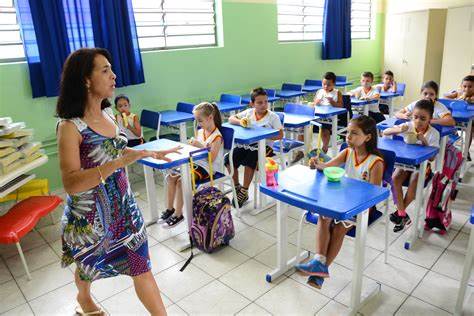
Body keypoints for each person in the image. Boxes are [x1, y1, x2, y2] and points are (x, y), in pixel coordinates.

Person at [56, 48, 181, 316]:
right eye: (105, 70)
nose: (114, 76)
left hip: (124, 209)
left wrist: (148, 152)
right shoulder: (70, 127)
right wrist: (116, 164)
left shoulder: (109, 114)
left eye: (111, 69)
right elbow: (71, 183)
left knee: (142, 267)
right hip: (90, 218)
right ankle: (84, 299)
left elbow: (116, 153)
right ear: (86, 79)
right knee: (88, 265)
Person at [296, 116, 384, 289]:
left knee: (338, 228)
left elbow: (373, 195)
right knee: (324, 217)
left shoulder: (376, 162)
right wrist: (316, 164)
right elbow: (328, 166)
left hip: (362, 207)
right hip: (342, 202)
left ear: (368, 137)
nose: (348, 137)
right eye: (348, 133)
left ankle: (320, 271)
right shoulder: (348, 152)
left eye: (354, 133)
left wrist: (352, 203)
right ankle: (319, 262)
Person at [159, 102, 224, 228]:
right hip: (196, 163)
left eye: (200, 121)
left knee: (182, 182)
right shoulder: (201, 131)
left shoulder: (217, 137)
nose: (198, 124)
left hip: (208, 168)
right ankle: (170, 209)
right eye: (197, 121)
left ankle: (179, 215)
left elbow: (212, 158)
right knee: (170, 177)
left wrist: (201, 146)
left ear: (210, 117)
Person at [384, 99, 440, 232]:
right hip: (405, 163)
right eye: (415, 117)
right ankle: (402, 214)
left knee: (415, 180)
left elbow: (432, 158)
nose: (418, 121)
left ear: (430, 119)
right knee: (395, 177)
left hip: (422, 165)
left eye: (423, 118)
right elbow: (385, 133)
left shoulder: (433, 133)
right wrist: (397, 129)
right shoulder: (408, 126)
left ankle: (400, 213)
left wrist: (424, 141)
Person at [225, 87, 283, 207]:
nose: (264, 105)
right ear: (252, 104)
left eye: (266, 101)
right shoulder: (248, 113)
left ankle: (245, 190)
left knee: (250, 160)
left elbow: (280, 135)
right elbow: (231, 118)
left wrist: (263, 135)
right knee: (228, 158)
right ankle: (237, 187)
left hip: (264, 147)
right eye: (259, 102)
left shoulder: (273, 117)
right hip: (248, 144)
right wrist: (240, 122)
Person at [292, 72, 343, 162]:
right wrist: (316, 103)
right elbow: (313, 104)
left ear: (334, 84)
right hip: (316, 118)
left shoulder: (337, 93)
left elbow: (340, 106)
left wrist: (332, 102)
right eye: (324, 84)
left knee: (325, 131)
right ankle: (301, 150)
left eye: (329, 85)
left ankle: (325, 148)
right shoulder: (320, 91)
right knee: (302, 128)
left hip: (329, 119)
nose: (326, 87)